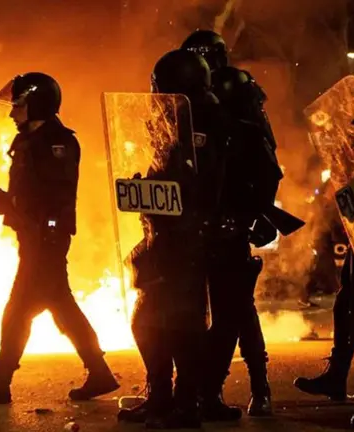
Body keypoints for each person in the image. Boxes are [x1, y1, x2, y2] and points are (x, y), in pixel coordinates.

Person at [0, 72, 118, 404]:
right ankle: (99, 371)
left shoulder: (58, 143)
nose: (11, 112)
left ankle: (1, 380)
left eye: (18, 104)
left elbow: (54, 196)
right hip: (32, 235)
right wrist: (11, 204)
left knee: (18, 310)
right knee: (61, 306)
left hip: (47, 237)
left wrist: (12, 203)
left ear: (36, 104)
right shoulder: (28, 141)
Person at [117, 49, 224, 429]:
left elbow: (200, 185)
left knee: (183, 325)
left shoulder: (203, 122)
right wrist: (143, 189)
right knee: (148, 321)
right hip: (162, 239)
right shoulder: (173, 119)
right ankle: (161, 395)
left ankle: (186, 403)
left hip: (187, 242)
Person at [182, 29, 278, 419]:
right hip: (196, 220)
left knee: (236, 308)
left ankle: (256, 386)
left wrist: (256, 212)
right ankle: (199, 389)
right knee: (217, 308)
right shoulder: (189, 99)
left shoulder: (238, 90)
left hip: (230, 219)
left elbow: (264, 159)